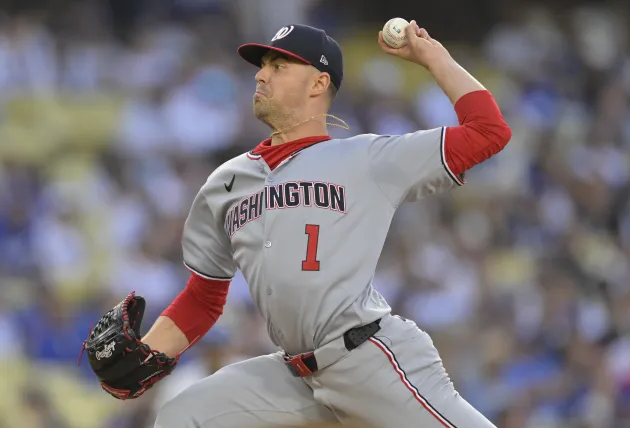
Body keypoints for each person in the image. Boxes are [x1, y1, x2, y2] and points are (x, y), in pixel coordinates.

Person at [143, 21, 511, 427]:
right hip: (294, 377)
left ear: (318, 83)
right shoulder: (225, 184)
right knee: (183, 416)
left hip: (368, 360)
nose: (261, 75)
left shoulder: (367, 159)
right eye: (263, 65)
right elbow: (203, 298)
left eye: (279, 66)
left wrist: (433, 57)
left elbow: (488, 131)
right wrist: (146, 355)